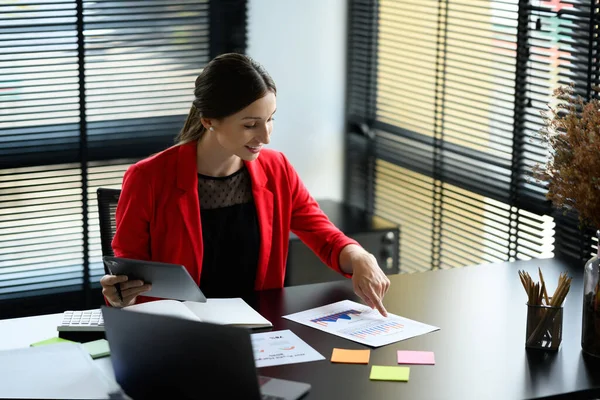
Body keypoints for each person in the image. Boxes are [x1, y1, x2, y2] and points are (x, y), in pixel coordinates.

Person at [100, 53, 391, 315]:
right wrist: (119, 292)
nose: (265, 137)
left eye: (270, 120)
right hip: (180, 333)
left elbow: (325, 237)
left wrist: (360, 256)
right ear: (209, 120)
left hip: (260, 328)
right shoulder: (148, 177)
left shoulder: (277, 169)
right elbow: (129, 271)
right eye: (250, 125)